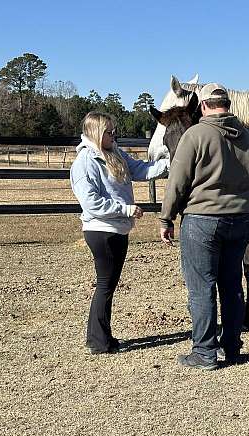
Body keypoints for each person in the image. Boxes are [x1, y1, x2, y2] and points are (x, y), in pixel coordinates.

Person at [159, 83, 249, 370]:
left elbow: (177, 181)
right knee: (231, 285)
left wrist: (166, 218)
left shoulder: (196, 135)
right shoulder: (246, 136)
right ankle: (232, 346)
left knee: (202, 287)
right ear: (227, 104)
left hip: (203, 219)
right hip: (240, 219)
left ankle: (204, 352)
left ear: (203, 106)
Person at [71, 111, 170, 354]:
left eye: (114, 131)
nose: (114, 135)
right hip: (101, 230)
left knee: (108, 284)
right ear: (96, 133)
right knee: (105, 284)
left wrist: (172, 162)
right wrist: (125, 209)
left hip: (116, 229)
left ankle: (101, 336)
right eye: (109, 132)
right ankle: (98, 340)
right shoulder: (85, 162)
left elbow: (141, 170)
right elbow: (91, 202)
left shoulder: (114, 153)